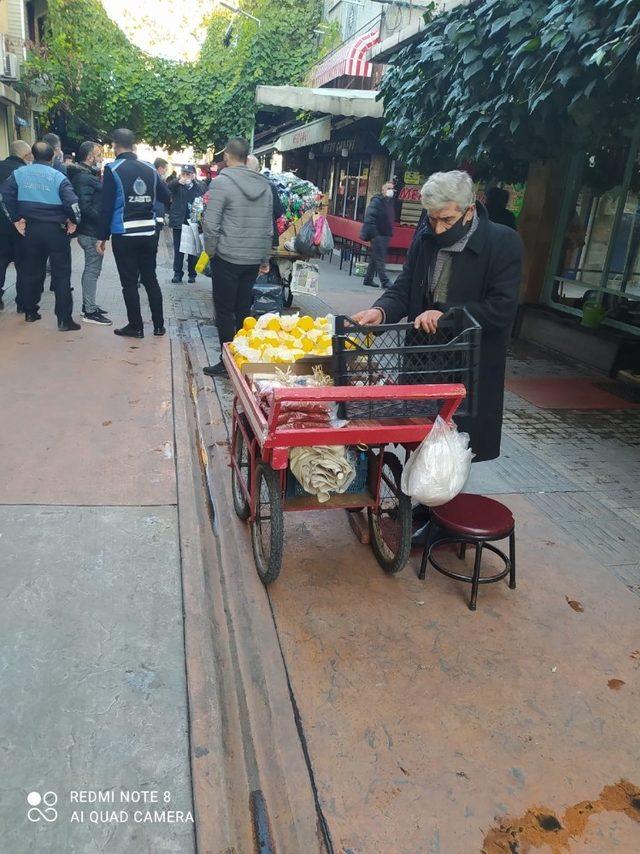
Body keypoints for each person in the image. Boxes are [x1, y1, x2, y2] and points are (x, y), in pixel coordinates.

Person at [351, 170, 523, 545]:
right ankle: (425, 508)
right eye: (431, 218)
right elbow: (404, 287)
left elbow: (502, 309)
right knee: (421, 438)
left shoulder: (502, 242)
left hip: (468, 364)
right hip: (422, 358)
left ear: (468, 209)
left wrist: (448, 315)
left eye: (446, 218)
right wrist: (380, 311)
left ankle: (443, 520)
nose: (438, 226)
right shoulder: (425, 235)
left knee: (453, 445)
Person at [202, 137, 273, 377]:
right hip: (252, 257)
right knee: (243, 307)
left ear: (227, 156)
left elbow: (210, 224)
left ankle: (226, 362)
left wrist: (211, 251)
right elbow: (268, 226)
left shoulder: (221, 182)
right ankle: (243, 357)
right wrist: (264, 258)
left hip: (227, 255)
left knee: (224, 310)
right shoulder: (265, 184)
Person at [96, 127, 171, 339]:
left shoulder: (113, 169)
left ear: (114, 145)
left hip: (125, 233)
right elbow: (166, 196)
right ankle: (159, 326)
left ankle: (136, 326)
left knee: (129, 282)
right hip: (148, 232)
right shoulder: (150, 169)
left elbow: (106, 206)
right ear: (134, 145)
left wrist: (102, 237)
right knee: (150, 278)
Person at [0, 140, 81, 329]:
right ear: (52, 156)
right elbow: (72, 202)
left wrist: (15, 218)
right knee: (61, 274)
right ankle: (64, 319)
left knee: (30, 271)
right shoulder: (57, 176)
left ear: (33, 155)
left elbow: (5, 195)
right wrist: (74, 221)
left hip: (29, 230)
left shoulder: (18, 174)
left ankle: (30, 311)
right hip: (55, 231)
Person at [68, 141, 112, 326]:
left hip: (90, 230)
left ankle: (89, 305)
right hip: (90, 231)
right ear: (90, 157)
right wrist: (102, 221)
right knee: (92, 270)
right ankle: (89, 310)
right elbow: (84, 207)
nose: (101, 158)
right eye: (99, 154)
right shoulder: (84, 177)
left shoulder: (86, 175)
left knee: (92, 269)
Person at [0, 139, 33, 311]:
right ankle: (22, 303)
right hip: (21, 224)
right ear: (26, 155)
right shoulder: (25, 172)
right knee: (24, 264)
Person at [168, 164, 204, 283]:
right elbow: (168, 187)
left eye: (188, 174)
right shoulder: (177, 185)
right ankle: (177, 273)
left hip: (193, 221)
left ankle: (192, 273)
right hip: (179, 221)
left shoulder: (199, 187)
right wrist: (178, 182)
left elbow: (205, 199)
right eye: (183, 174)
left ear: (193, 175)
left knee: (193, 250)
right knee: (178, 249)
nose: (185, 176)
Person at [360, 181, 395, 288]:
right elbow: (370, 218)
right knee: (380, 258)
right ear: (383, 190)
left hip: (385, 234)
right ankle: (385, 281)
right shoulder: (377, 201)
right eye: (388, 188)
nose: (391, 191)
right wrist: (374, 234)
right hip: (378, 234)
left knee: (375, 257)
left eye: (392, 189)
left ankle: (368, 279)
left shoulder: (389, 202)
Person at [247, 153, 284, 247]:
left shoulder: (237, 185)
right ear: (258, 169)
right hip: (266, 237)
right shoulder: (270, 185)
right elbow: (278, 211)